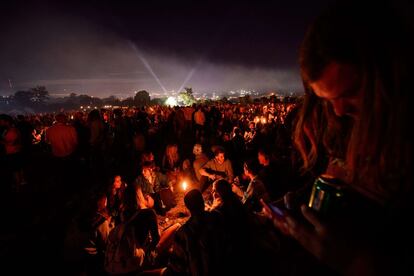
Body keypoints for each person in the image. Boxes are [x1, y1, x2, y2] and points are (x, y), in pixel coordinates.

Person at [265, 2, 414, 275]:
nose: (339, 110)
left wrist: (356, 263)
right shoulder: (335, 122)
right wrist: (299, 205)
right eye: (326, 100)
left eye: (351, 92)